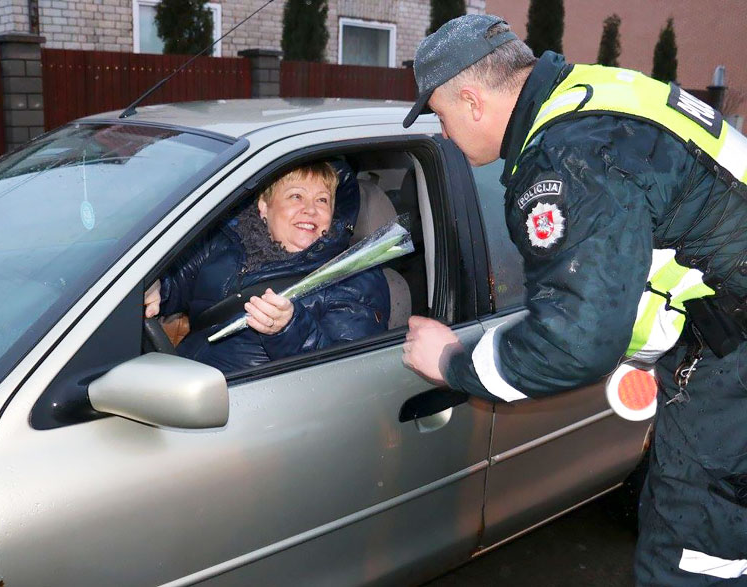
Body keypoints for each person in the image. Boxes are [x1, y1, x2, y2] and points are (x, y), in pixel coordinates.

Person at [400, 14, 747, 586]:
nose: (444, 133)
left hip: (731, 364)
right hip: (723, 336)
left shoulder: (567, 158)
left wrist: (451, 363)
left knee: (694, 560)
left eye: (440, 115)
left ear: (472, 102)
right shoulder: (594, 96)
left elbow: (574, 342)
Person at [144, 161, 390, 374]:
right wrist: (158, 288)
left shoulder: (354, 276)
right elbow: (177, 282)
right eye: (296, 196)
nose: (311, 209)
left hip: (255, 403)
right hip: (181, 380)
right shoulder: (228, 241)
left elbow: (349, 372)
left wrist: (290, 329)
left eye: (322, 200)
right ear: (264, 206)